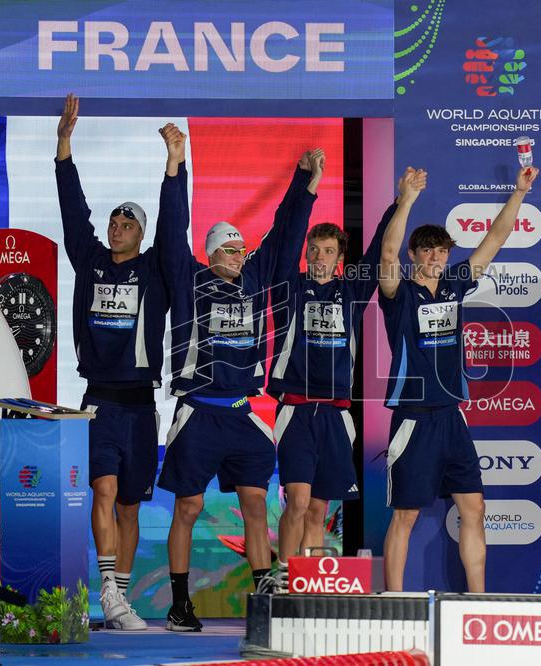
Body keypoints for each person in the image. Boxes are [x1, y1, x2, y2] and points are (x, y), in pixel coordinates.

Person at [155, 124, 323, 630]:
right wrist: (175, 164)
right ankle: (181, 603)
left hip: (244, 414)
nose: (239, 254)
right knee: (188, 507)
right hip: (199, 411)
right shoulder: (189, 280)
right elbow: (170, 229)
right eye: (229, 248)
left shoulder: (253, 279)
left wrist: (305, 180)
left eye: (241, 249)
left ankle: (265, 601)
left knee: (256, 504)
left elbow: (285, 232)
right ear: (210, 253)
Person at [258, 169, 425, 593]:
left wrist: (400, 199)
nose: (317, 256)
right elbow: (287, 237)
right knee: (296, 501)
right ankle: (281, 580)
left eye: (327, 251)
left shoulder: (352, 290)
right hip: (295, 410)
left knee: (318, 507)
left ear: (339, 259)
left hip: (336, 415)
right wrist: (308, 190)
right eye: (313, 250)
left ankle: (306, 586)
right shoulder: (289, 288)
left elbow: (376, 251)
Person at [377, 164, 539, 592]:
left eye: (442, 251)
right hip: (413, 419)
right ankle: (395, 601)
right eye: (427, 251)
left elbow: (495, 240)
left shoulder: (454, 284)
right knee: (406, 515)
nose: (435, 258)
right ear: (415, 256)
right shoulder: (398, 293)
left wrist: (519, 194)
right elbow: (388, 255)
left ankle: (478, 600)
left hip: (452, 417)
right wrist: (407, 200)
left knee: (475, 506)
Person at [55, 93, 169, 630]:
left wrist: (175, 165)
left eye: (129, 221)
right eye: (115, 220)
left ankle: (118, 601)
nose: (118, 225)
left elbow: (176, 229)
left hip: (142, 407)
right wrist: (64, 144)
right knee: (101, 488)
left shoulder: (155, 271)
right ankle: (106, 587)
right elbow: (72, 208)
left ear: (142, 235)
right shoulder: (91, 260)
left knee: (129, 506)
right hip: (98, 400)